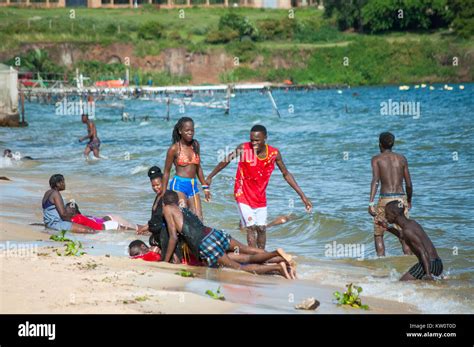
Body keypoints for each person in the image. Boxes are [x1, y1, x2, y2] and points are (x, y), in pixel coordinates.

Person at [206, 124, 312, 249]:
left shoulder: (274, 154)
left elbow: (286, 174)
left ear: (265, 138)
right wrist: (210, 176)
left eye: (257, 140)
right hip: (242, 194)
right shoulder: (243, 148)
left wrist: (303, 197)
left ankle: (261, 256)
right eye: (252, 140)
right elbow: (226, 160)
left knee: (261, 228)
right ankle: (253, 256)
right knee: (250, 227)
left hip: (259, 197)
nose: (254, 143)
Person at [162, 190, 296, 279]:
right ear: (176, 200)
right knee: (247, 251)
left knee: (239, 268)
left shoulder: (168, 209)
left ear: (165, 203)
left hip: (206, 244)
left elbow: (173, 236)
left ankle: (277, 267)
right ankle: (279, 258)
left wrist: (165, 262)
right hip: (215, 233)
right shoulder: (183, 209)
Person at [136, 166, 198, 265]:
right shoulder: (158, 196)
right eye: (153, 186)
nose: (156, 188)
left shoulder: (168, 197)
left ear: (164, 182)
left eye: (158, 185)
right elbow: (156, 219)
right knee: (151, 240)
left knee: (171, 257)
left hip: (167, 234)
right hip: (158, 236)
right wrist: (145, 227)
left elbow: (172, 218)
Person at [369, 132, 413, 256]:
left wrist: (371, 203)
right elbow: (409, 184)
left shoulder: (376, 159)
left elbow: (375, 181)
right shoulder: (402, 159)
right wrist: (409, 200)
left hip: (385, 199)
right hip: (400, 198)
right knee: (404, 234)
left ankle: (381, 266)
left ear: (379, 144)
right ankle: (408, 263)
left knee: (379, 234)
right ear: (392, 144)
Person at [162, 117, 210, 221]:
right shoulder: (174, 149)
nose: (190, 133)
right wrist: (164, 192)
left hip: (193, 186)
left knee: (199, 218)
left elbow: (198, 168)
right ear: (180, 131)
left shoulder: (195, 145)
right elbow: (166, 172)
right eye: (187, 130)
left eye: (192, 130)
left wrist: (205, 187)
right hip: (179, 185)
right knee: (183, 216)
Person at [384, 201, 443, 281]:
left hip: (429, 264)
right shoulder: (412, 223)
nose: (385, 217)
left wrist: (428, 274)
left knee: (401, 283)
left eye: (387, 214)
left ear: (394, 214)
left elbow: (423, 252)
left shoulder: (407, 231)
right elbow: (402, 236)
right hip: (437, 263)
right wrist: (387, 228)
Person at [64, 202, 138, 231]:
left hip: (109, 225)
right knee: (135, 229)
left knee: (135, 230)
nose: (65, 212)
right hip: (108, 223)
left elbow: (69, 224)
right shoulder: (80, 216)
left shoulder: (76, 219)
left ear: (73, 212)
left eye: (67, 210)